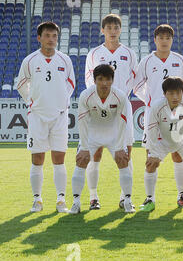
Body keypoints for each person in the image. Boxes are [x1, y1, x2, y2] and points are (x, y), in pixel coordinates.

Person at [16, 21, 75, 213]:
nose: (51, 39)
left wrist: (63, 102)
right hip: (38, 116)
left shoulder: (65, 60)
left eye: (54, 36)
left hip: (59, 116)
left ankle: (60, 200)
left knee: (59, 158)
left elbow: (71, 84)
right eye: (47, 36)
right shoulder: (30, 60)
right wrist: (30, 102)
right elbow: (21, 84)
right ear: (39, 38)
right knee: (37, 158)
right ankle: (37, 200)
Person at [133, 24, 183, 208]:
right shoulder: (146, 61)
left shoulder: (181, 60)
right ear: (155, 40)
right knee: (151, 157)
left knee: (178, 154)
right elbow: (136, 87)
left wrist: (175, 102)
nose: (164, 41)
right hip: (153, 115)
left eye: (168, 38)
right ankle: (150, 198)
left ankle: (181, 196)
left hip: (176, 114)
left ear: (172, 40)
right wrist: (152, 102)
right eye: (161, 38)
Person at [84, 14, 138, 210]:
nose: (113, 31)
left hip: (122, 108)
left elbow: (134, 79)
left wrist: (120, 97)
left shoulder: (130, 53)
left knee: (126, 153)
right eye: (109, 28)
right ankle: (93, 197)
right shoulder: (94, 53)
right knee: (95, 153)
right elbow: (89, 81)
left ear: (120, 30)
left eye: (116, 27)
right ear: (103, 30)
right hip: (99, 109)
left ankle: (125, 197)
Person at [69, 64, 134, 214]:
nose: (104, 83)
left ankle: (128, 201)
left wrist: (119, 147)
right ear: (94, 80)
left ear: (112, 80)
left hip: (114, 133)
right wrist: (84, 147)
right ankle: (77, 202)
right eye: (100, 79)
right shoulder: (86, 95)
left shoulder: (120, 97)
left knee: (123, 160)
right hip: (92, 134)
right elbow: (83, 123)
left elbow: (123, 122)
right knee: (81, 160)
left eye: (108, 80)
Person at [139, 76, 183, 212]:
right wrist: (153, 153)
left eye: (178, 93)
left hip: (181, 141)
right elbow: (151, 131)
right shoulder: (157, 106)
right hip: (162, 141)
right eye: (171, 93)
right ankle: (150, 199)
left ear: (182, 92)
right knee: (151, 164)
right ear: (164, 94)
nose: (175, 96)